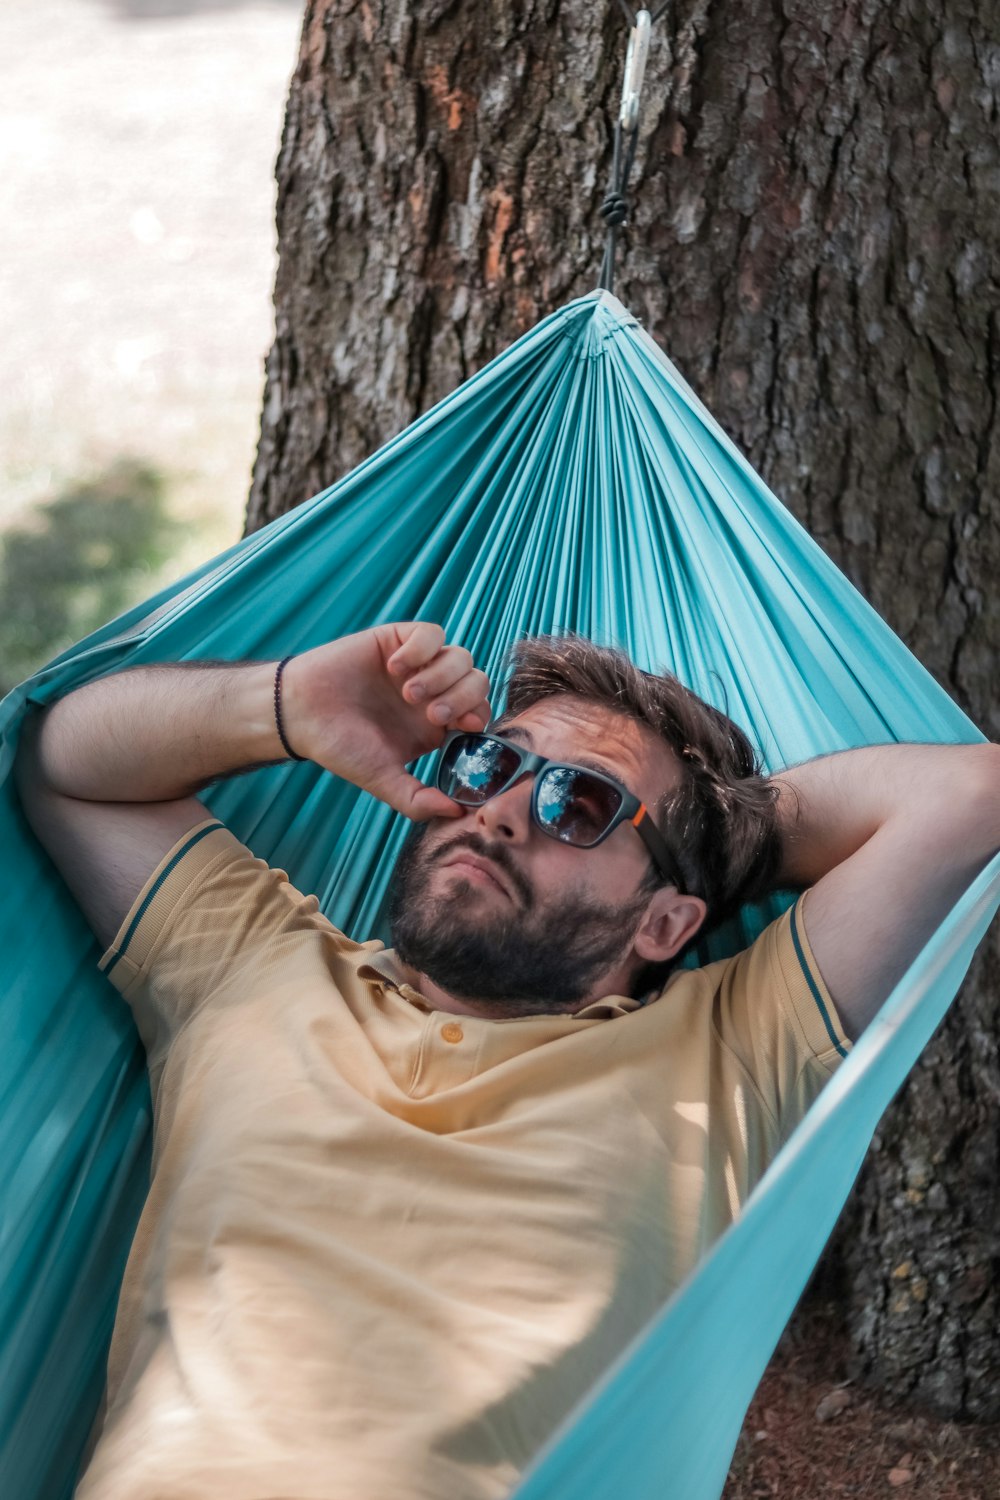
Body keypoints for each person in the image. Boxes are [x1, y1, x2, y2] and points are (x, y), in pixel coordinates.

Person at [16, 621, 1000, 1500]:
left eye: (578, 805)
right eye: (489, 768)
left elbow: (966, 796)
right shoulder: (253, 963)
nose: (498, 811)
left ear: (666, 921)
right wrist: (280, 706)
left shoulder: (731, 1054)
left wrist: (720, 826)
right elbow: (61, 760)